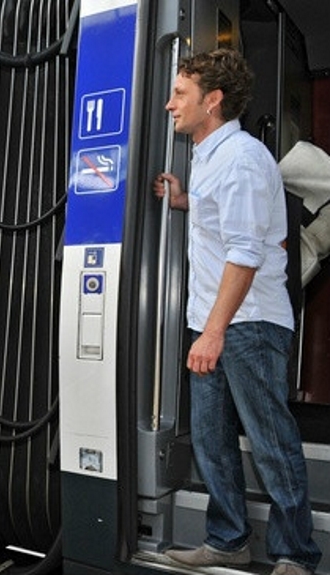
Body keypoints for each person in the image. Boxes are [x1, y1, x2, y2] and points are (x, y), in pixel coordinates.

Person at [153, 49, 322, 575]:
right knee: (213, 441)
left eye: (181, 94)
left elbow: (245, 254)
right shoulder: (210, 157)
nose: (168, 105)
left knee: (271, 443)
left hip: (244, 324)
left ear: (214, 100)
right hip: (216, 322)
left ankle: (295, 554)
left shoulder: (243, 157)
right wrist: (186, 202)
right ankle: (227, 541)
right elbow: (226, 221)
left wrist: (214, 332)